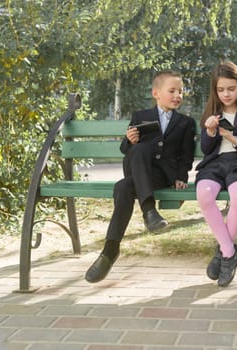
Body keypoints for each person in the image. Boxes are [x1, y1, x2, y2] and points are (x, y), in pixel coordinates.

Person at [85, 70, 196, 283]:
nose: (177, 95)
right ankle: (149, 211)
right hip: (138, 167)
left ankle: (109, 251)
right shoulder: (141, 116)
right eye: (171, 90)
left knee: (123, 188)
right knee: (139, 149)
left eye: (180, 91)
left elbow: (186, 155)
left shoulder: (186, 123)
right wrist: (130, 139)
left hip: (161, 176)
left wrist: (182, 176)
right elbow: (125, 149)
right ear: (156, 93)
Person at [195, 61, 237, 287]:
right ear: (215, 90)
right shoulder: (210, 114)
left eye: (231, 89)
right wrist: (210, 130)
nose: (226, 94)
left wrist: (234, 139)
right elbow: (206, 149)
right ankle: (229, 252)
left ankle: (223, 253)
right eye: (221, 89)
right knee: (204, 194)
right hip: (215, 164)